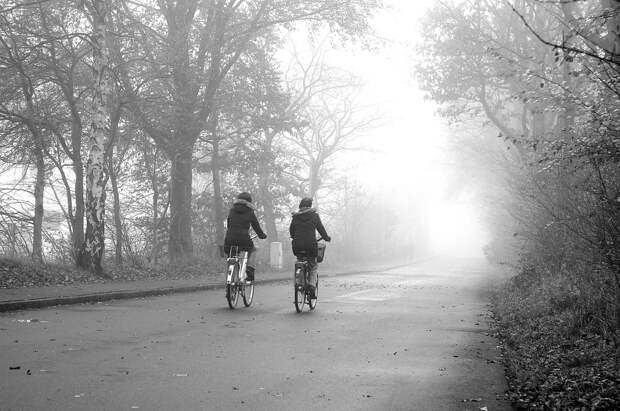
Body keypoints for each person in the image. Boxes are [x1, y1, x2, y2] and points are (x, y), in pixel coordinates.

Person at [289, 197, 331, 298]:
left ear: (300, 206)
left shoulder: (295, 217)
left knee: (299, 261)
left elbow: (291, 231)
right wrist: (326, 238)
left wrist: (294, 237)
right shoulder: (314, 216)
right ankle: (312, 287)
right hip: (310, 245)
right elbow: (321, 229)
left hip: (297, 245)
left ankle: (300, 283)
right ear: (310, 205)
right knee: (313, 266)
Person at [224, 192, 267, 282]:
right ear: (249, 202)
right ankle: (249, 268)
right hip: (243, 238)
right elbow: (256, 226)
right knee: (253, 249)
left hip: (229, 239)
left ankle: (230, 278)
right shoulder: (250, 211)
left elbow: (228, 224)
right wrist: (262, 235)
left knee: (231, 255)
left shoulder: (232, 210)